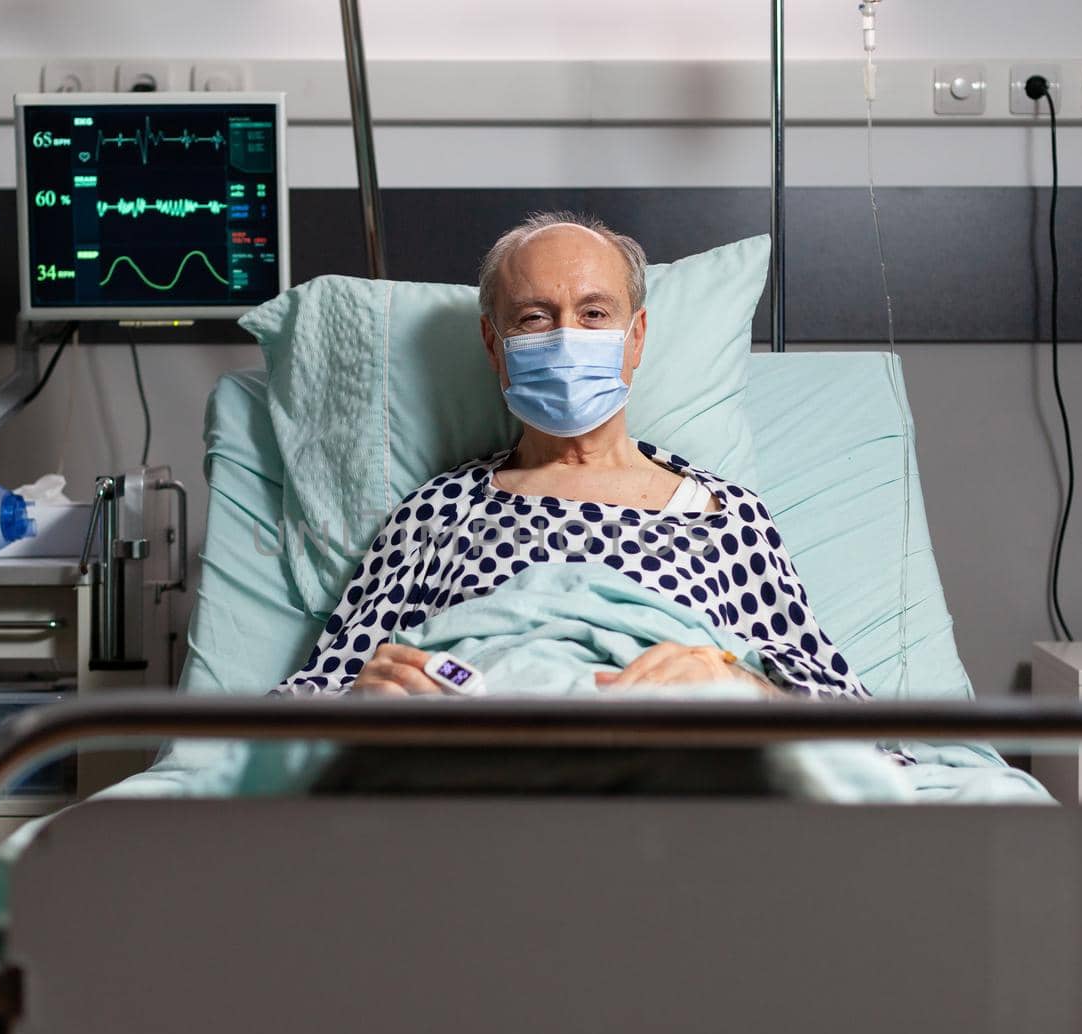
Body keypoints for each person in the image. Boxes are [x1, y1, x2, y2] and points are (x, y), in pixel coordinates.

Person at [274, 210, 869, 700]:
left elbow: (840, 709)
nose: (566, 336)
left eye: (593, 314)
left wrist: (733, 681)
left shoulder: (723, 515)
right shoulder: (437, 513)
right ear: (494, 344)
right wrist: (366, 704)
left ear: (635, 337)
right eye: (534, 317)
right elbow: (317, 691)